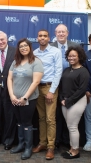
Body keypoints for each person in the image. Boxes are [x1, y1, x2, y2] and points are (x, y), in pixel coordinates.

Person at [7, 38, 44, 160]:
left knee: (27, 123)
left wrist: (25, 97)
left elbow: (36, 81)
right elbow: (9, 79)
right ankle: (21, 144)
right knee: (19, 122)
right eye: (21, 46)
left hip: (28, 99)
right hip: (14, 99)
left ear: (30, 47)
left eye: (25, 46)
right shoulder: (15, 62)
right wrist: (12, 95)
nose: (23, 48)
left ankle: (28, 147)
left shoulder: (36, 62)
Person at [32, 29, 62, 160]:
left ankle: (51, 147)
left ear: (49, 38)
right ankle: (42, 143)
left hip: (50, 87)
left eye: (45, 36)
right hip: (37, 88)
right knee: (41, 118)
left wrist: (51, 91)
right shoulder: (34, 53)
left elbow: (58, 71)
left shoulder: (56, 51)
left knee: (50, 119)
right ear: (37, 38)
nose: (42, 38)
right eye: (40, 36)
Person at [51, 24, 79, 149]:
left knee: (69, 113)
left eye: (63, 32)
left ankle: (68, 140)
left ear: (67, 33)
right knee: (55, 113)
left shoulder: (75, 46)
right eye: (58, 32)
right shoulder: (50, 47)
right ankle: (56, 140)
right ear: (55, 34)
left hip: (71, 85)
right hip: (54, 85)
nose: (61, 34)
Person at [59, 46, 89, 159]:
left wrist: (68, 101)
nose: (71, 58)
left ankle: (75, 151)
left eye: (74, 56)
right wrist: (62, 99)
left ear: (79, 57)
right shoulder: (67, 70)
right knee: (69, 126)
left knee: (72, 126)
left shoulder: (83, 71)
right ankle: (72, 148)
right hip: (65, 102)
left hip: (77, 102)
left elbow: (82, 90)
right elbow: (62, 86)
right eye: (69, 56)